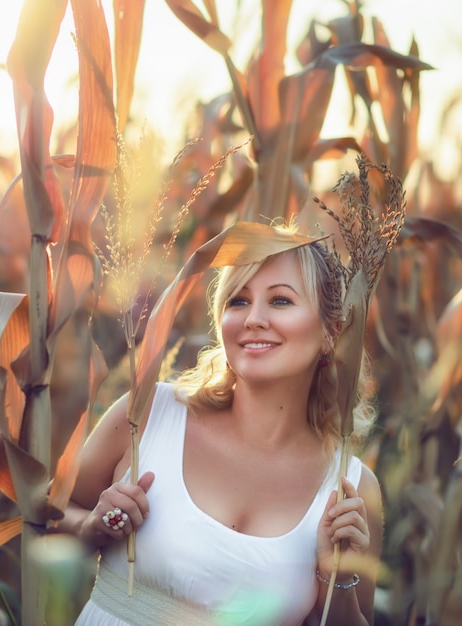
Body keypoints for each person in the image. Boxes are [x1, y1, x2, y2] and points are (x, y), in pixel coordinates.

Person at [57, 223, 384, 626]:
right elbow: (47, 520)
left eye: (280, 301)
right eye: (238, 301)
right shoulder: (147, 416)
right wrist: (90, 527)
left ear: (331, 332)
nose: (254, 319)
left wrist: (338, 578)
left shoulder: (349, 488)